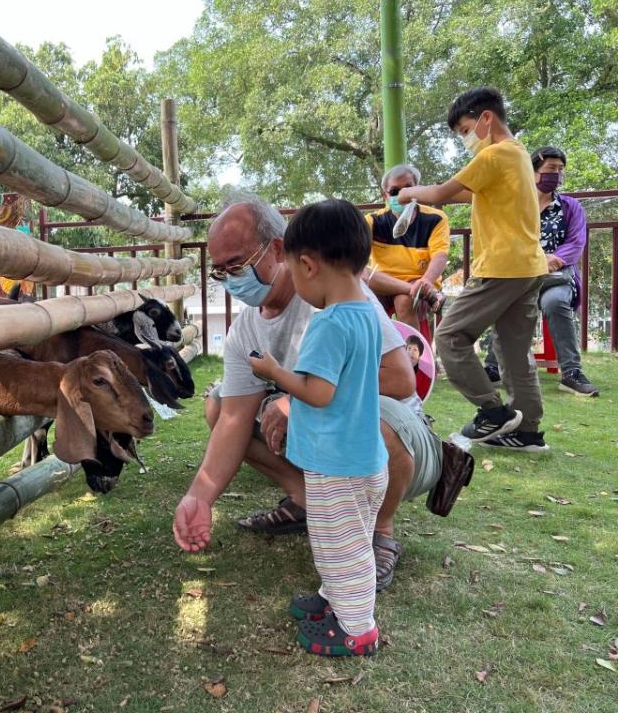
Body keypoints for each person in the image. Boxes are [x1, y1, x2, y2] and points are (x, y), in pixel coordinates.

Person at [172, 191, 472, 595]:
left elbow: (401, 379)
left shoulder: (342, 297)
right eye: (221, 272)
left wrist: (293, 399)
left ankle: (380, 531)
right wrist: (200, 497)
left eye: (238, 265)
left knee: (374, 421)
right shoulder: (246, 329)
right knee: (221, 403)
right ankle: (307, 501)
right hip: (329, 436)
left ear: (279, 249)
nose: (231, 281)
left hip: (400, 437)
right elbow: (233, 419)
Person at [245, 200, 386, 656]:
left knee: (341, 549)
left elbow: (318, 392)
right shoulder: (366, 312)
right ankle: (336, 602)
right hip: (363, 459)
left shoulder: (328, 323)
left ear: (307, 265)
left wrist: (274, 372)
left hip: (337, 466)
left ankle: (357, 628)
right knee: (348, 542)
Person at [397, 87, 549, 453]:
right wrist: (421, 196)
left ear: (486, 119)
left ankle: (491, 412)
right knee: (512, 349)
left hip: (501, 265)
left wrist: (405, 193)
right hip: (529, 267)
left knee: (450, 336)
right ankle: (527, 431)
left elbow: (445, 192)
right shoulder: (517, 155)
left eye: (465, 129)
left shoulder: (495, 154)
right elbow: (468, 194)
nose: (465, 139)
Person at [482, 147, 598, 397]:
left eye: (559, 170)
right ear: (532, 172)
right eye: (550, 169)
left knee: (555, 302)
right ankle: (493, 366)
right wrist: (533, 259)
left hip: (556, 277)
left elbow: (577, 242)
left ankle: (571, 373)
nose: (555, 175)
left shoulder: (570, 206)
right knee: (505, 299)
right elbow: (504, 239)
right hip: (521, 276)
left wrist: (552, 259)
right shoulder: (515, 205)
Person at [365, 164, 450, 330]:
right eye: (395, 192)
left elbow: (440, 255)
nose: (402, 196)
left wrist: (426, 280)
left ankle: (413, 355)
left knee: (404, 301)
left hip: (420, 283)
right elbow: (358, 258)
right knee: (363, 283)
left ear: (417, 190)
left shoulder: (435, 219)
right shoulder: (373, 221)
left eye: (408, 189)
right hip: (382, 283)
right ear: (385, 196)